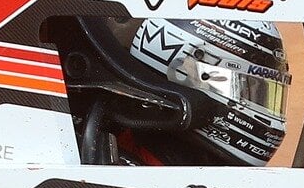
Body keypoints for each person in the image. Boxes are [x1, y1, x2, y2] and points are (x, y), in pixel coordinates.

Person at [49, 14, 289, 167]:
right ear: (186, 72)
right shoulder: (113, 161)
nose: (268, 109)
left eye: (271, 94)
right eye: (253, 90)